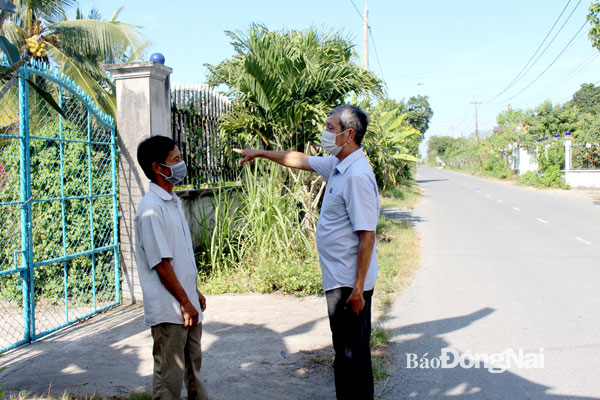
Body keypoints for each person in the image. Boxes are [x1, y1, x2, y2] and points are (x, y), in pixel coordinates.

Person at [235, 105, 379, 400]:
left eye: (330, 127)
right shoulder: (340, 164)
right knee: (347, 352)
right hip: (341, 279)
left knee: (352, 356)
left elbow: (367, 236)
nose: (324, 133)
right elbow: (298, 159)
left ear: (348, 134)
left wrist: (358, 290)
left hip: (349, 284)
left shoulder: (357, 175)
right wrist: (261, 153)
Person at [135, 135, 208, 400]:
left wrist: (194, 293)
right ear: (157, 168)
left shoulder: (172, 201)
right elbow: (161, 263)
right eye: (175, 160)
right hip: (170, 310)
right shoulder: (151, 209)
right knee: (169, 380)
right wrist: (185, 301)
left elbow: (180, 256)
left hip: (186, 305)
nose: (181, 164)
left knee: (193, 373)